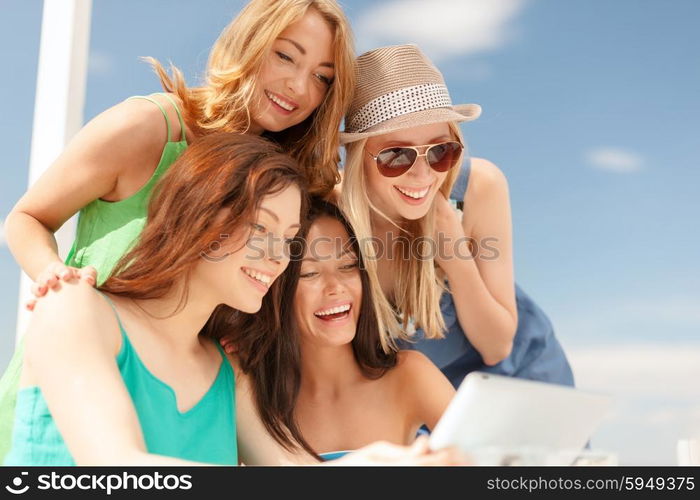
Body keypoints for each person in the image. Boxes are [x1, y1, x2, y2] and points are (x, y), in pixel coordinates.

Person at [0, 0, 355, 457]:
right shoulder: (147, 126)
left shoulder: (286, 180)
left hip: (188, 396)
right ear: (249, 44)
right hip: (84, 379)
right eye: (285, 55)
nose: (298, 86)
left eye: (323, 77)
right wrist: (56, 278)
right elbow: (27, 218)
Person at [4, 133, 461, 466]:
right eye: (261, 228)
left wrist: (381, 464)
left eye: (286, 238)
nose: (277, 257)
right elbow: (119, 469)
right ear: (201, 217)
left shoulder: (229, 373)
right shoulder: (75, 309)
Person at [339, 44, 574, 391]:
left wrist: (455, 257)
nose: (422, 176)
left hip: (522, 378)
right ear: (358, 157)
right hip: (414, 401)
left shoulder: (478, 187)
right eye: (396, 156)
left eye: (440, 151)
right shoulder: (329, 216)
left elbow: (497, 348)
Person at [220, 199, 455, 460]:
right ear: (276, 290)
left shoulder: (409, 374)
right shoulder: (253, 390)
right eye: (309, 273)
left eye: (347, 266)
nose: (335, 287)